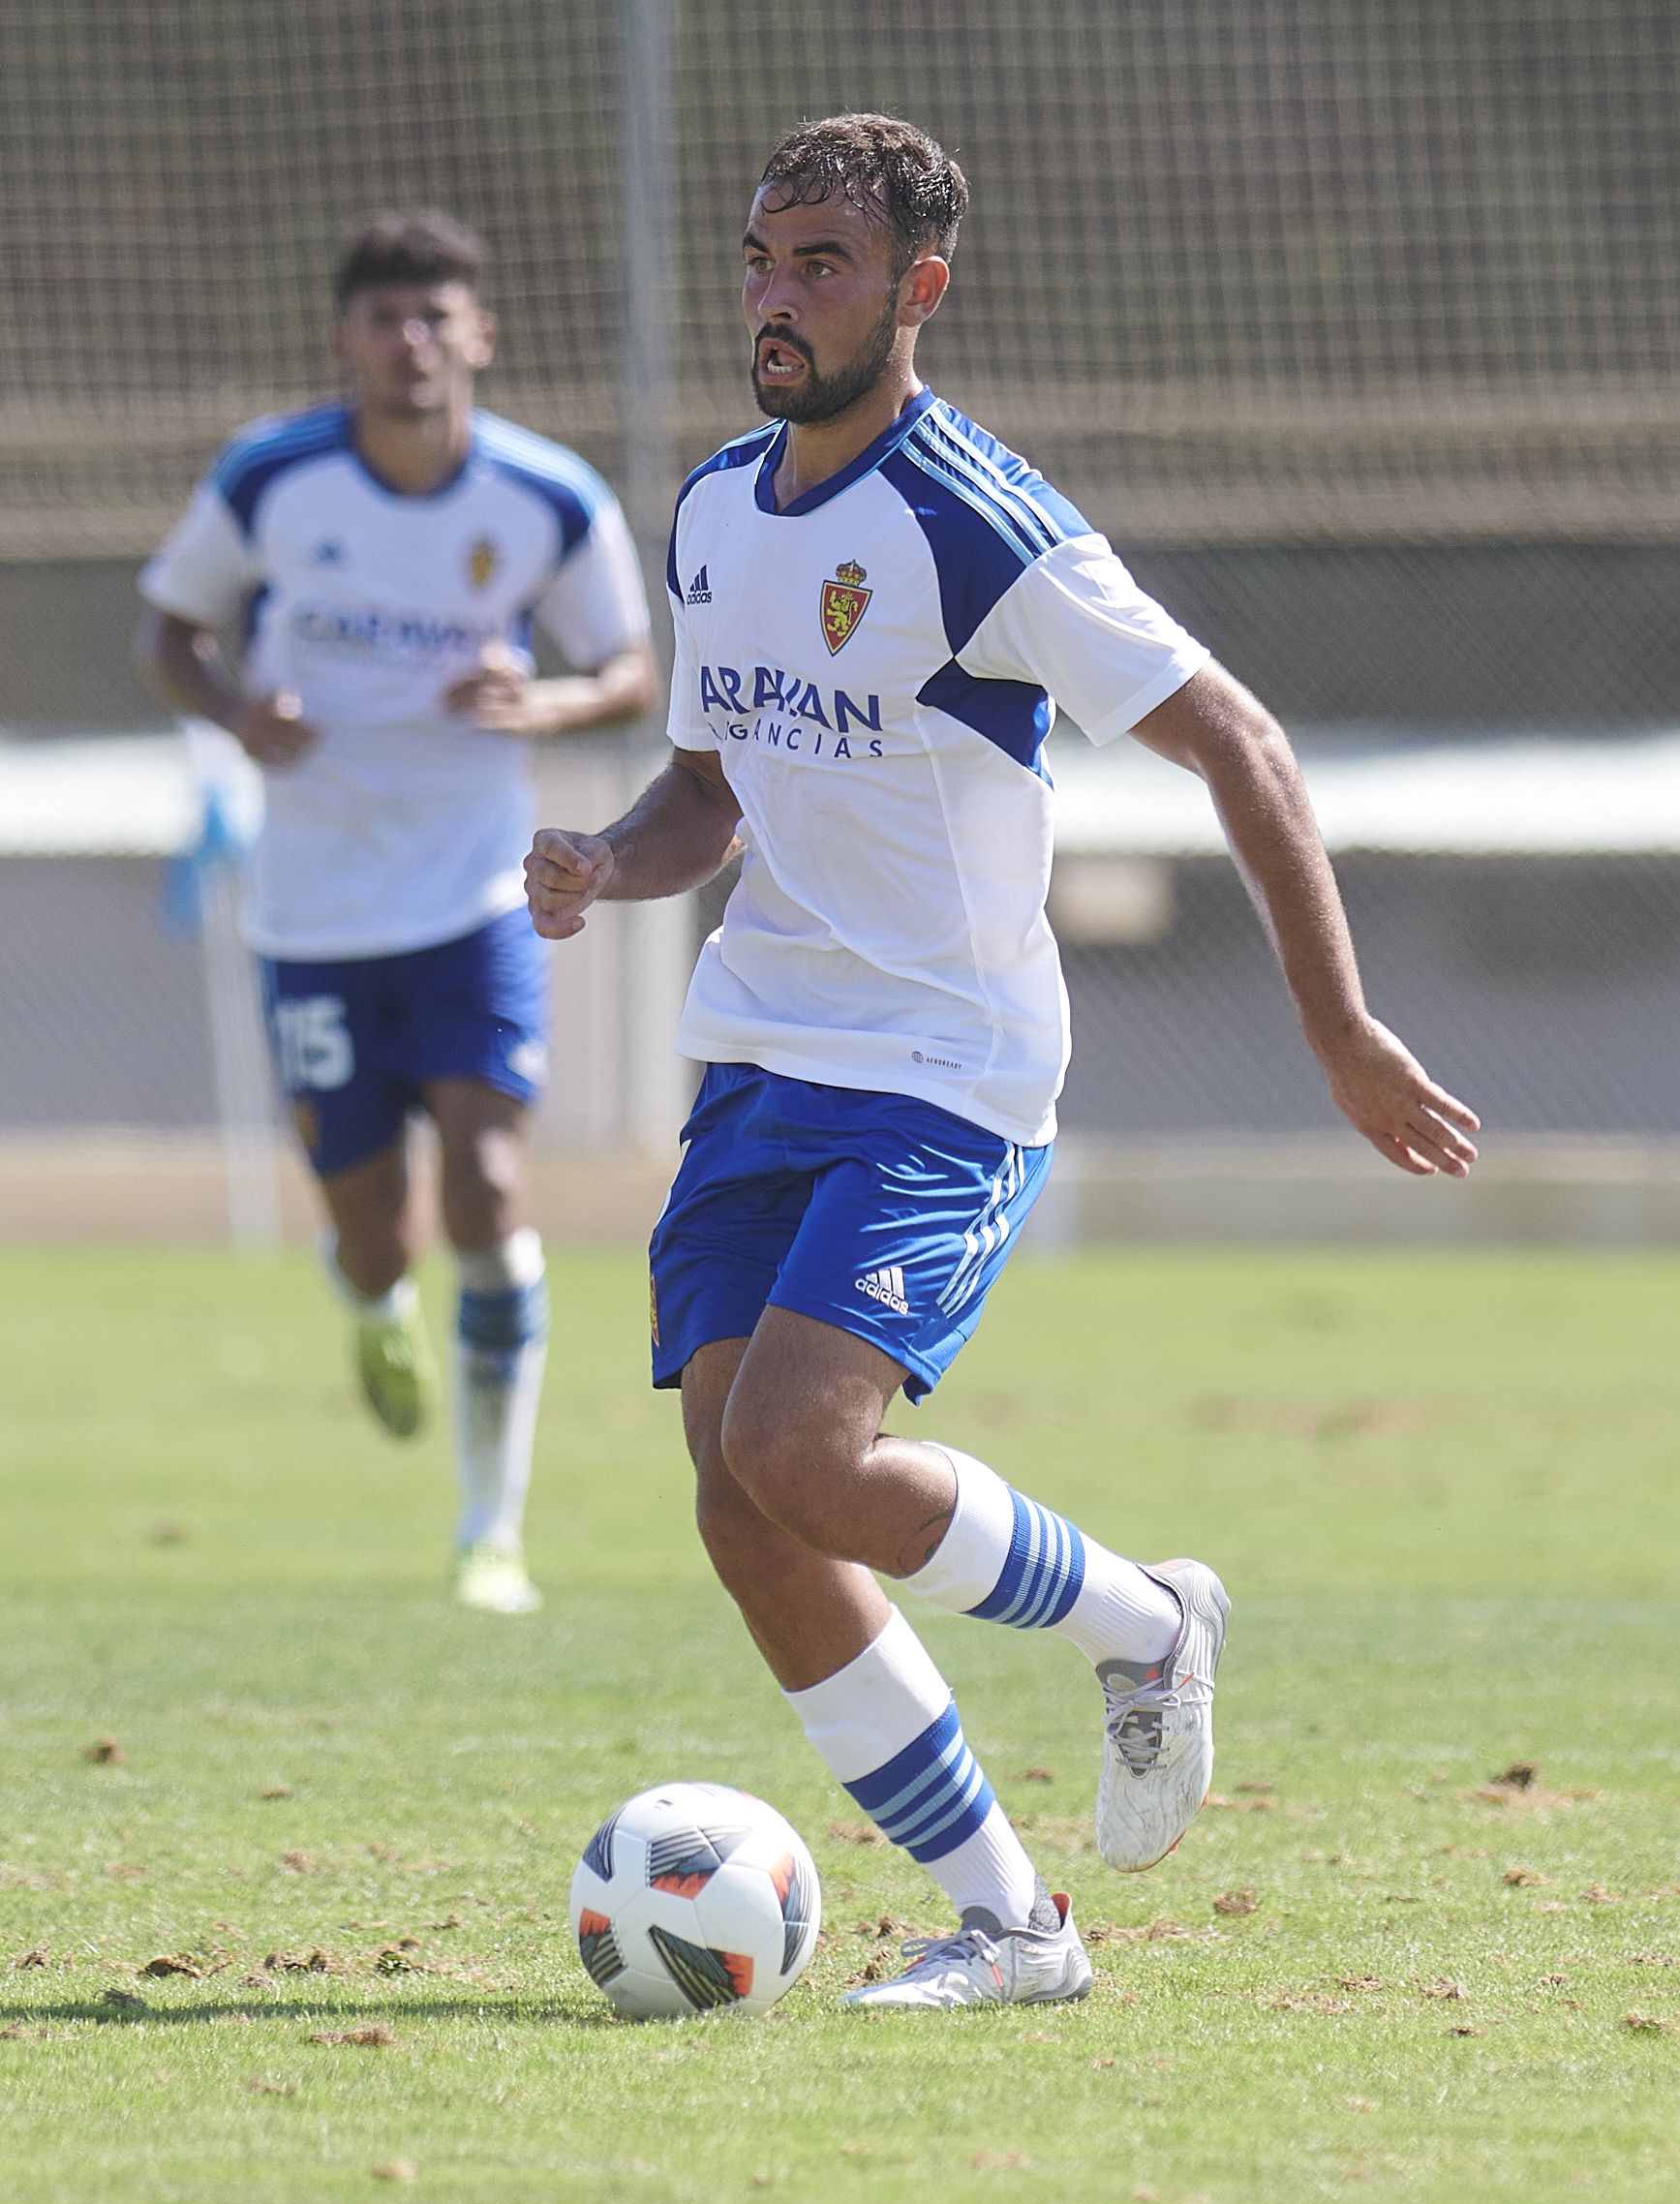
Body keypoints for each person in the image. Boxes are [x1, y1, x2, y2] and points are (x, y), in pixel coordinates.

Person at [525, 116, 1480, 2005]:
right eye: (761, 258)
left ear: (916, 291)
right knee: (741, 1503)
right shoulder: (718, 507)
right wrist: (604, 864)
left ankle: (1144, 1618)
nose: (777, 298)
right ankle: (1017, 1924)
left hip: (942, 1067)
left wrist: (1340, 1027)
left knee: (803, 1447)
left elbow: (1240, 741)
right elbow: (707, 785)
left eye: (822, 266)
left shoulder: (981, 520)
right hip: (761, 1057)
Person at [137, 209, 657, 1615]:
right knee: (381, 1235)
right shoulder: (272, 476)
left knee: (489, 1189)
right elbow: (171, 631)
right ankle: (371, 1295)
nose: (411, 342)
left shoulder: (546, 497)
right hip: (309, 915)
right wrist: (243, 710)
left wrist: (540, 699)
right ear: (344, 340)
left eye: (437, 318)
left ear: (479, 336)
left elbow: (628, 666)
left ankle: (492, 1529)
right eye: (386, 319)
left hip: (473, 901)